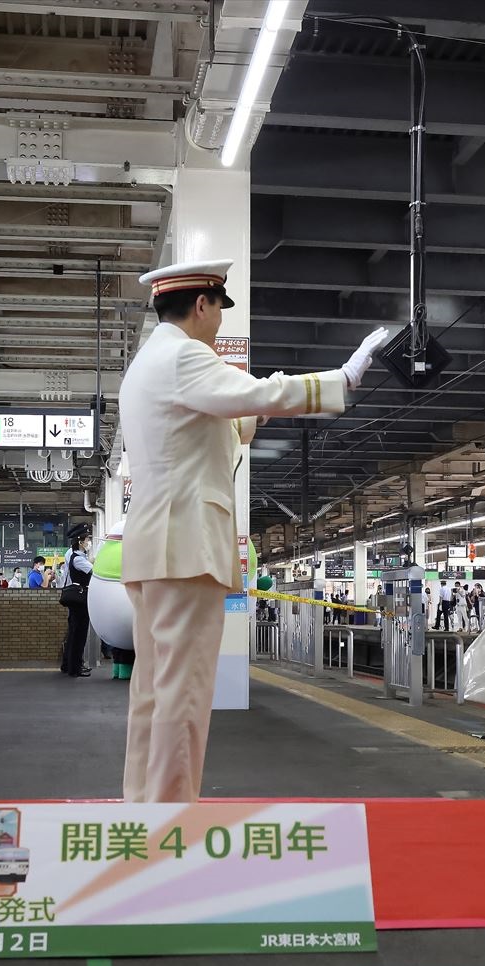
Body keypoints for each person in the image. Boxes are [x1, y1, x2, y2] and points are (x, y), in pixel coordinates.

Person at [118, 258, 387, 802]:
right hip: (186, 550)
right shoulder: (184, 355)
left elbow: (233, 418)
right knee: (184, 695)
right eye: (218, 309)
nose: (219, 323)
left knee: (152, 691)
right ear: (202, 305)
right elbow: (262, 394)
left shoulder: (148, 363)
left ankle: (141, 811)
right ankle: (170, 823)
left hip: (154, 549)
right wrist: (343, 378)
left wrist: (255, 403)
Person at [60, 523, 94, 677]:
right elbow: (94, 571)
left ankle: (71, 665)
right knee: (78, 634)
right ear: (80, 542)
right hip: (80, 600)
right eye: (87, 539)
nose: (88, 542)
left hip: (77, 600)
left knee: (74, 632)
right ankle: (75, 668)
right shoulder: (78, 559)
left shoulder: (77, 556)